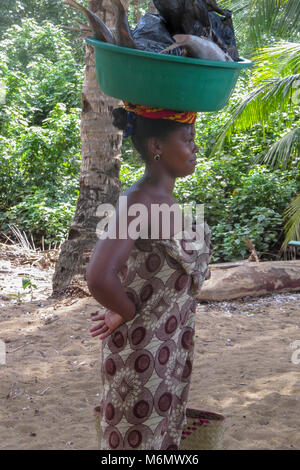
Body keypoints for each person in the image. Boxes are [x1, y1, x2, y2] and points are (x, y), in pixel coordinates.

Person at [86, 102, 213, 450]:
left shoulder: (163, 199)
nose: (195, 147)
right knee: (136, 443)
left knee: (160, 439)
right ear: (157, 147)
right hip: (142, 355)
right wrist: (125, 311)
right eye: (188, 139)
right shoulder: (137, 201)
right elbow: (99, 276)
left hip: (169, 351)